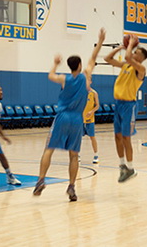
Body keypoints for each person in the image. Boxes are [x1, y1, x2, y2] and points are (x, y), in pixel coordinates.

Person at [33, 28, 106, 201]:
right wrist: (100, 41)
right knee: (74, 155)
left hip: (62, 117)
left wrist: (55, 63)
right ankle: (72, 187)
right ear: (80, 66)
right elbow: (93, 58)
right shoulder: (86, 76)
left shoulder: (64, 79)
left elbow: (50, 75)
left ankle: (41, 180)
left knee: (48, 149)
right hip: (77, 120)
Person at [106, 31, 147, 182]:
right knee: (117, 137)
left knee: (126, 138)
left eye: (136, 52)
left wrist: (129, 44)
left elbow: (128, 57)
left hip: (129, 106)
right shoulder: (126, 65)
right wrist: (120, 47)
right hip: (118, 104)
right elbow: (107, 58)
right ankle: (122, 165)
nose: (133, 52)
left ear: (141, 58)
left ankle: (131, 168)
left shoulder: (141, 69)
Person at [83, 85, 100, 164]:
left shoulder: (94, 93)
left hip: (90, 119)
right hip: (80, 119)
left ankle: (96, 155)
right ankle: (77, 155)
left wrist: (92, 111)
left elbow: (97, 106)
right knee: (77, 138)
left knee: (92, 137)